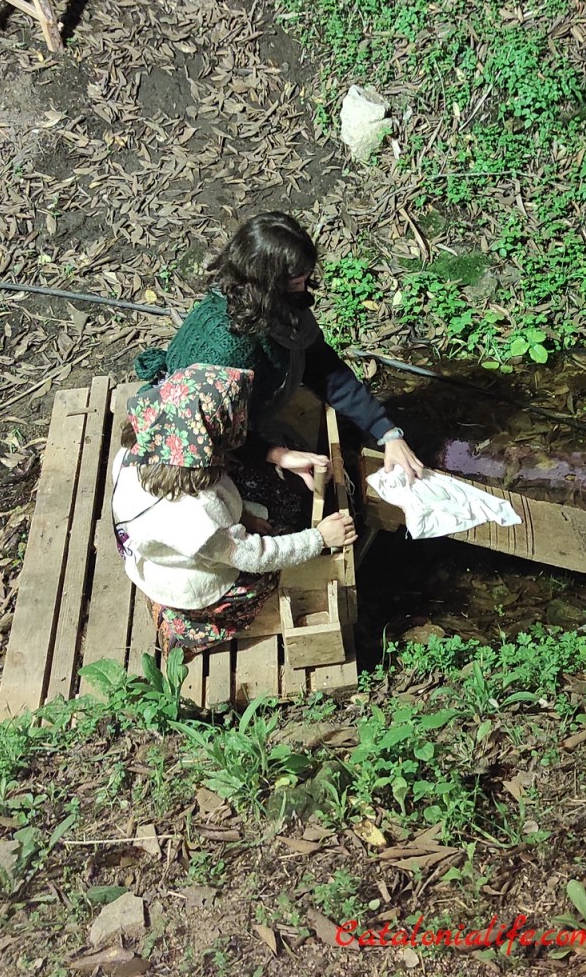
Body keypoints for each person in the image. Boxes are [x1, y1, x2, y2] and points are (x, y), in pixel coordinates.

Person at [133, 212, 426, 515]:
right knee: (281, 505)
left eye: (305, 279)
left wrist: (386, 431)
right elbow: (208, 435)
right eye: (297, 282)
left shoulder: (276, 308)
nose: (304, 290)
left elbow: (324, 368)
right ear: (268, 284)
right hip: (194, 445)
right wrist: (275, 454)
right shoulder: (227, 353)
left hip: (239, 414)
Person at [109, 363, 357, 658]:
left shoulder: (136, 455)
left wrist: (243, 517)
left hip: (170, 551)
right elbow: (254, 556)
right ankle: (190, 627)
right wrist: (318, 538)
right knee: (267, 574)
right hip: (190, 580)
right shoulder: (196, 514)